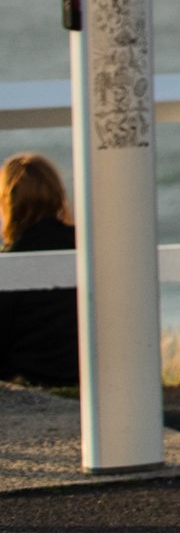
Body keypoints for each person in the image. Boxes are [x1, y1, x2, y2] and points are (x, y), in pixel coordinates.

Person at [0, 153, 78, 387]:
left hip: (32, 378)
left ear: (8, 202)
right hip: (87, 371)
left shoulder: (11, 261)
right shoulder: (84, 247)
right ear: (57, 195)